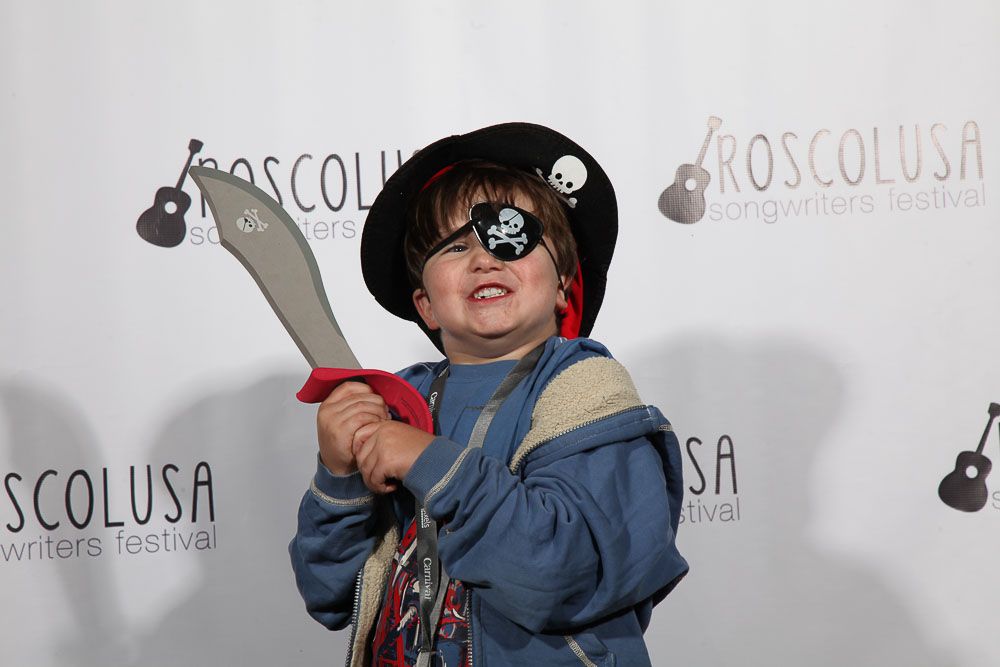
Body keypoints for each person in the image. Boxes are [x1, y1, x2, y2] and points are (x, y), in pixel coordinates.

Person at [289, 123, 687, 667]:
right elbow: (329, 594)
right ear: (426, 305)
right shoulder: (399, 403)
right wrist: (338, 482)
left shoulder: (585, 391)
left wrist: (428, 461)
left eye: (510, 236)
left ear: (563, 284)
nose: (483, 259)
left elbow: (560, 575)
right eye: (456, 246)